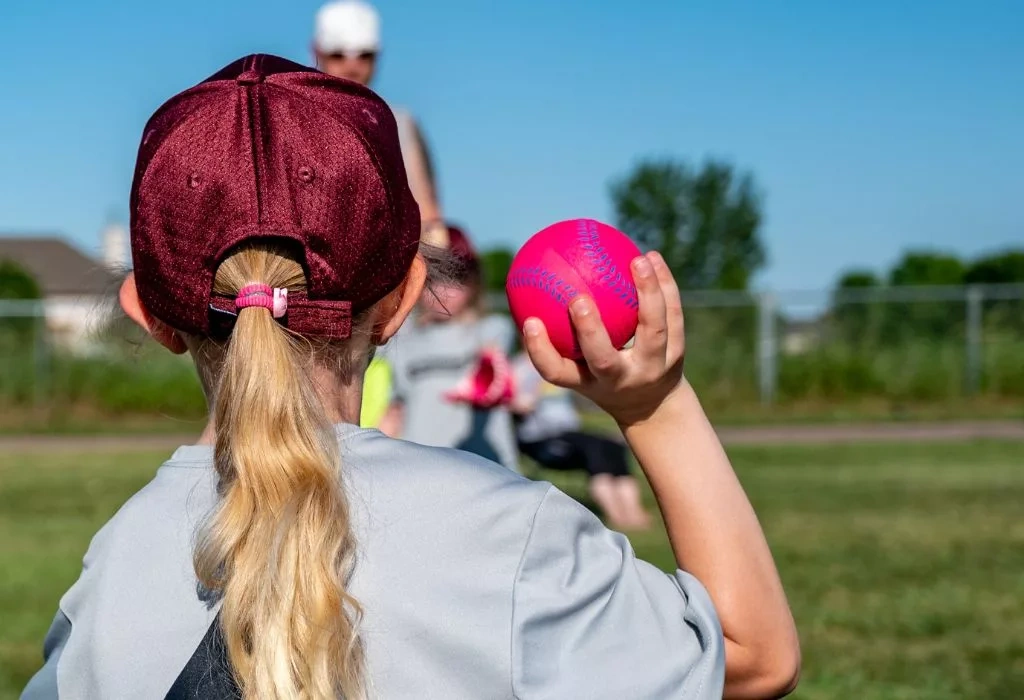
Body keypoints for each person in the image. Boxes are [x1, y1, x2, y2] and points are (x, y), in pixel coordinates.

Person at [21, 55, 799, 700]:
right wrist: (656, 405)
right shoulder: (511, 540)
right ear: (402, 299)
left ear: (149, 314)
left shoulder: (110, 573)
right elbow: (753, 654)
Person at [312, 0, 447, 431]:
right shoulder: (296, 117)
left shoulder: (399, 124)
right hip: (310, 290)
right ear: (317, 51)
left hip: (384, 297)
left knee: (379, 424)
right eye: (339, 54)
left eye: (363, 55)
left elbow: (430, 215)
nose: (352, 66)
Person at [383, 225, 520, 472]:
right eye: (433, 280)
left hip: (486, 465)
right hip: (421, 464)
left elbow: (497, 358)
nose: (442, 292)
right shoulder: (403, 338)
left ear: (474, 283)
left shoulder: (490, 330)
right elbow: (396, 408)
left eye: (456, 278)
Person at [511, 352, 653, 531]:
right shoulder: (517, 369)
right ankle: (616, 515)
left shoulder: (557, 363)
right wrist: (533, 393)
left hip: (570, 432)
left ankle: (633, 513)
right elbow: (515, 406)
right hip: (540, 437)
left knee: (613, 446)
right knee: (592, 449)